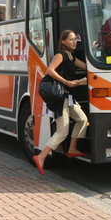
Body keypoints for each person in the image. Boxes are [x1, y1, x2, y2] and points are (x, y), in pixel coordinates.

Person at [33, 30, 88, 175]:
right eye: (71, 39)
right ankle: (41, 156)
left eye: (75, 39)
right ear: (63, 42)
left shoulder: (71, 56)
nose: (74, 42)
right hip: (59, 96)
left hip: (68, 95)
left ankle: (72, 149)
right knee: (62, 130)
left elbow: (87, 67)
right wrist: (66, 82)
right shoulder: (61, 54)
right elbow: (50, 70)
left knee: (82, 119)